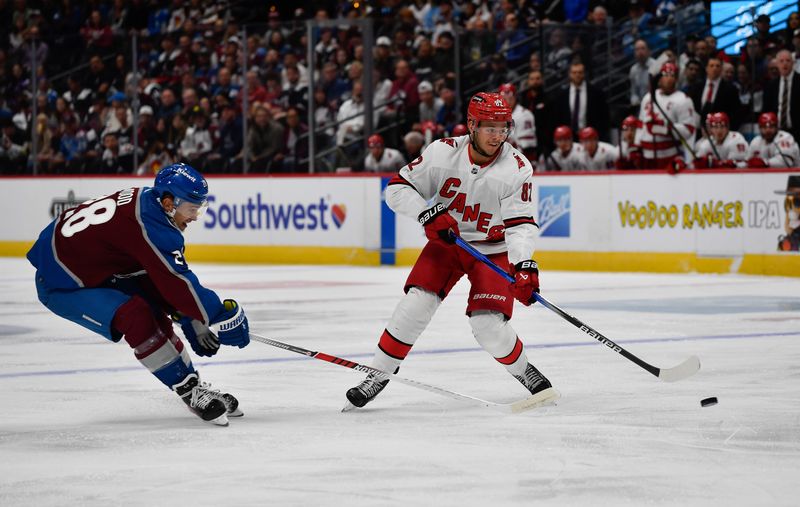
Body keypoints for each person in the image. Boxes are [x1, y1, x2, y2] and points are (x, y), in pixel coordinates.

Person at [344, 92, 558, 410]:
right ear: (471, 124)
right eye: (490, 128)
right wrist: (426, 213)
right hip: (448, 244)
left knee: (487, 326)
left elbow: (520, 225)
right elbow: (396, 188)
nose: (498, 136)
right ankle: (378, 373)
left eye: (503, 128)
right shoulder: (442, 152)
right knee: (414, 306)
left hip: (492, 250)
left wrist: (524, 264)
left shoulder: (516, 168)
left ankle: (524, 370)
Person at [26, 164, 251, 426]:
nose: (195, 216)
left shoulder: (148, 205)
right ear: (169, 203)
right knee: (136, 315)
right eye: (192, 209)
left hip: (95, 268)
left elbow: (154, 277)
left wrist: (187, 314)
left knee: (154, 310)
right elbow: (175, 281)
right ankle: (190, 390)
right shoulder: (151, 225)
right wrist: (219, 314)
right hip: (62, 283)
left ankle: (193, 386)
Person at [637, 62, 698, 169]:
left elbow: (689, 130)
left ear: (676, 78)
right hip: (646, 156)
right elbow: (640, 123)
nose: (668, 78)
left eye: (672, 75)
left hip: (670, 156)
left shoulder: (683, 100)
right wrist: (636, 147)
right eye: (665, 75)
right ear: (660, 78)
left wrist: (667, 127)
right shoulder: (648, 97)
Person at [499, 83, 537, 162]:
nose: (506, 101)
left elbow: (528, 148)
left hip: (521, 162)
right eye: (504, 98)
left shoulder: (524, 115)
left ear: (515, 97)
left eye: (510, 98)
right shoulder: (495, 116)